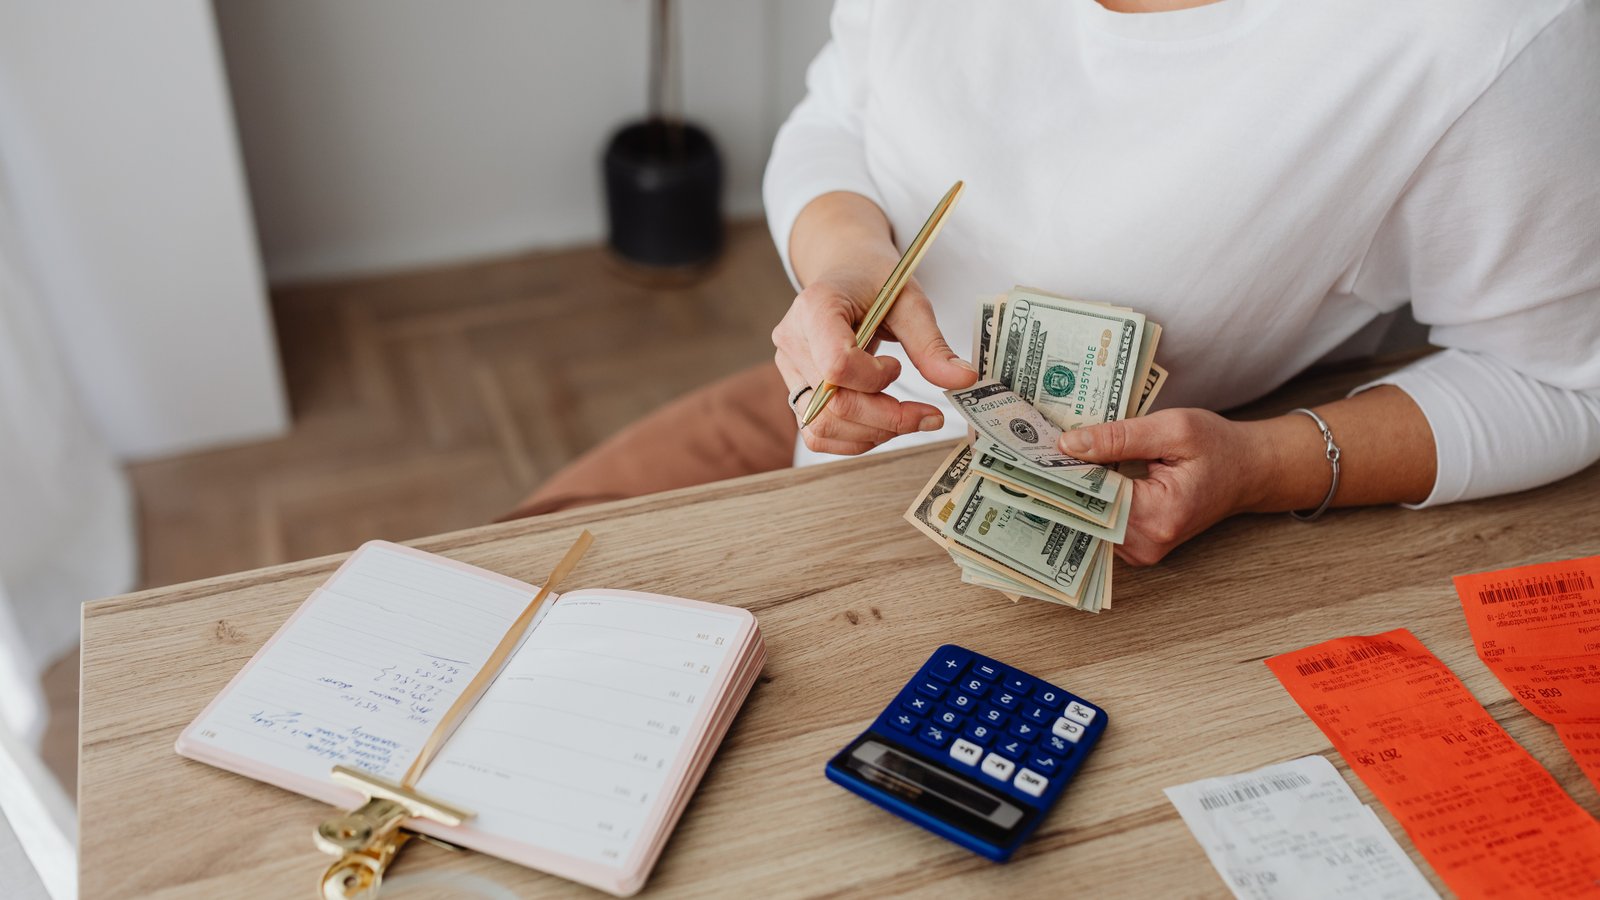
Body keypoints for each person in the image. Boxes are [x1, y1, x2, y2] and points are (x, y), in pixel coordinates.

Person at [510, 0, 1600, 567]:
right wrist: (843, 262)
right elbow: (840, 110)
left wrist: (1265, 465)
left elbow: (1564, 383)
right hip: (831, 453)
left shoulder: (1476, 44)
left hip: (1122, 563)